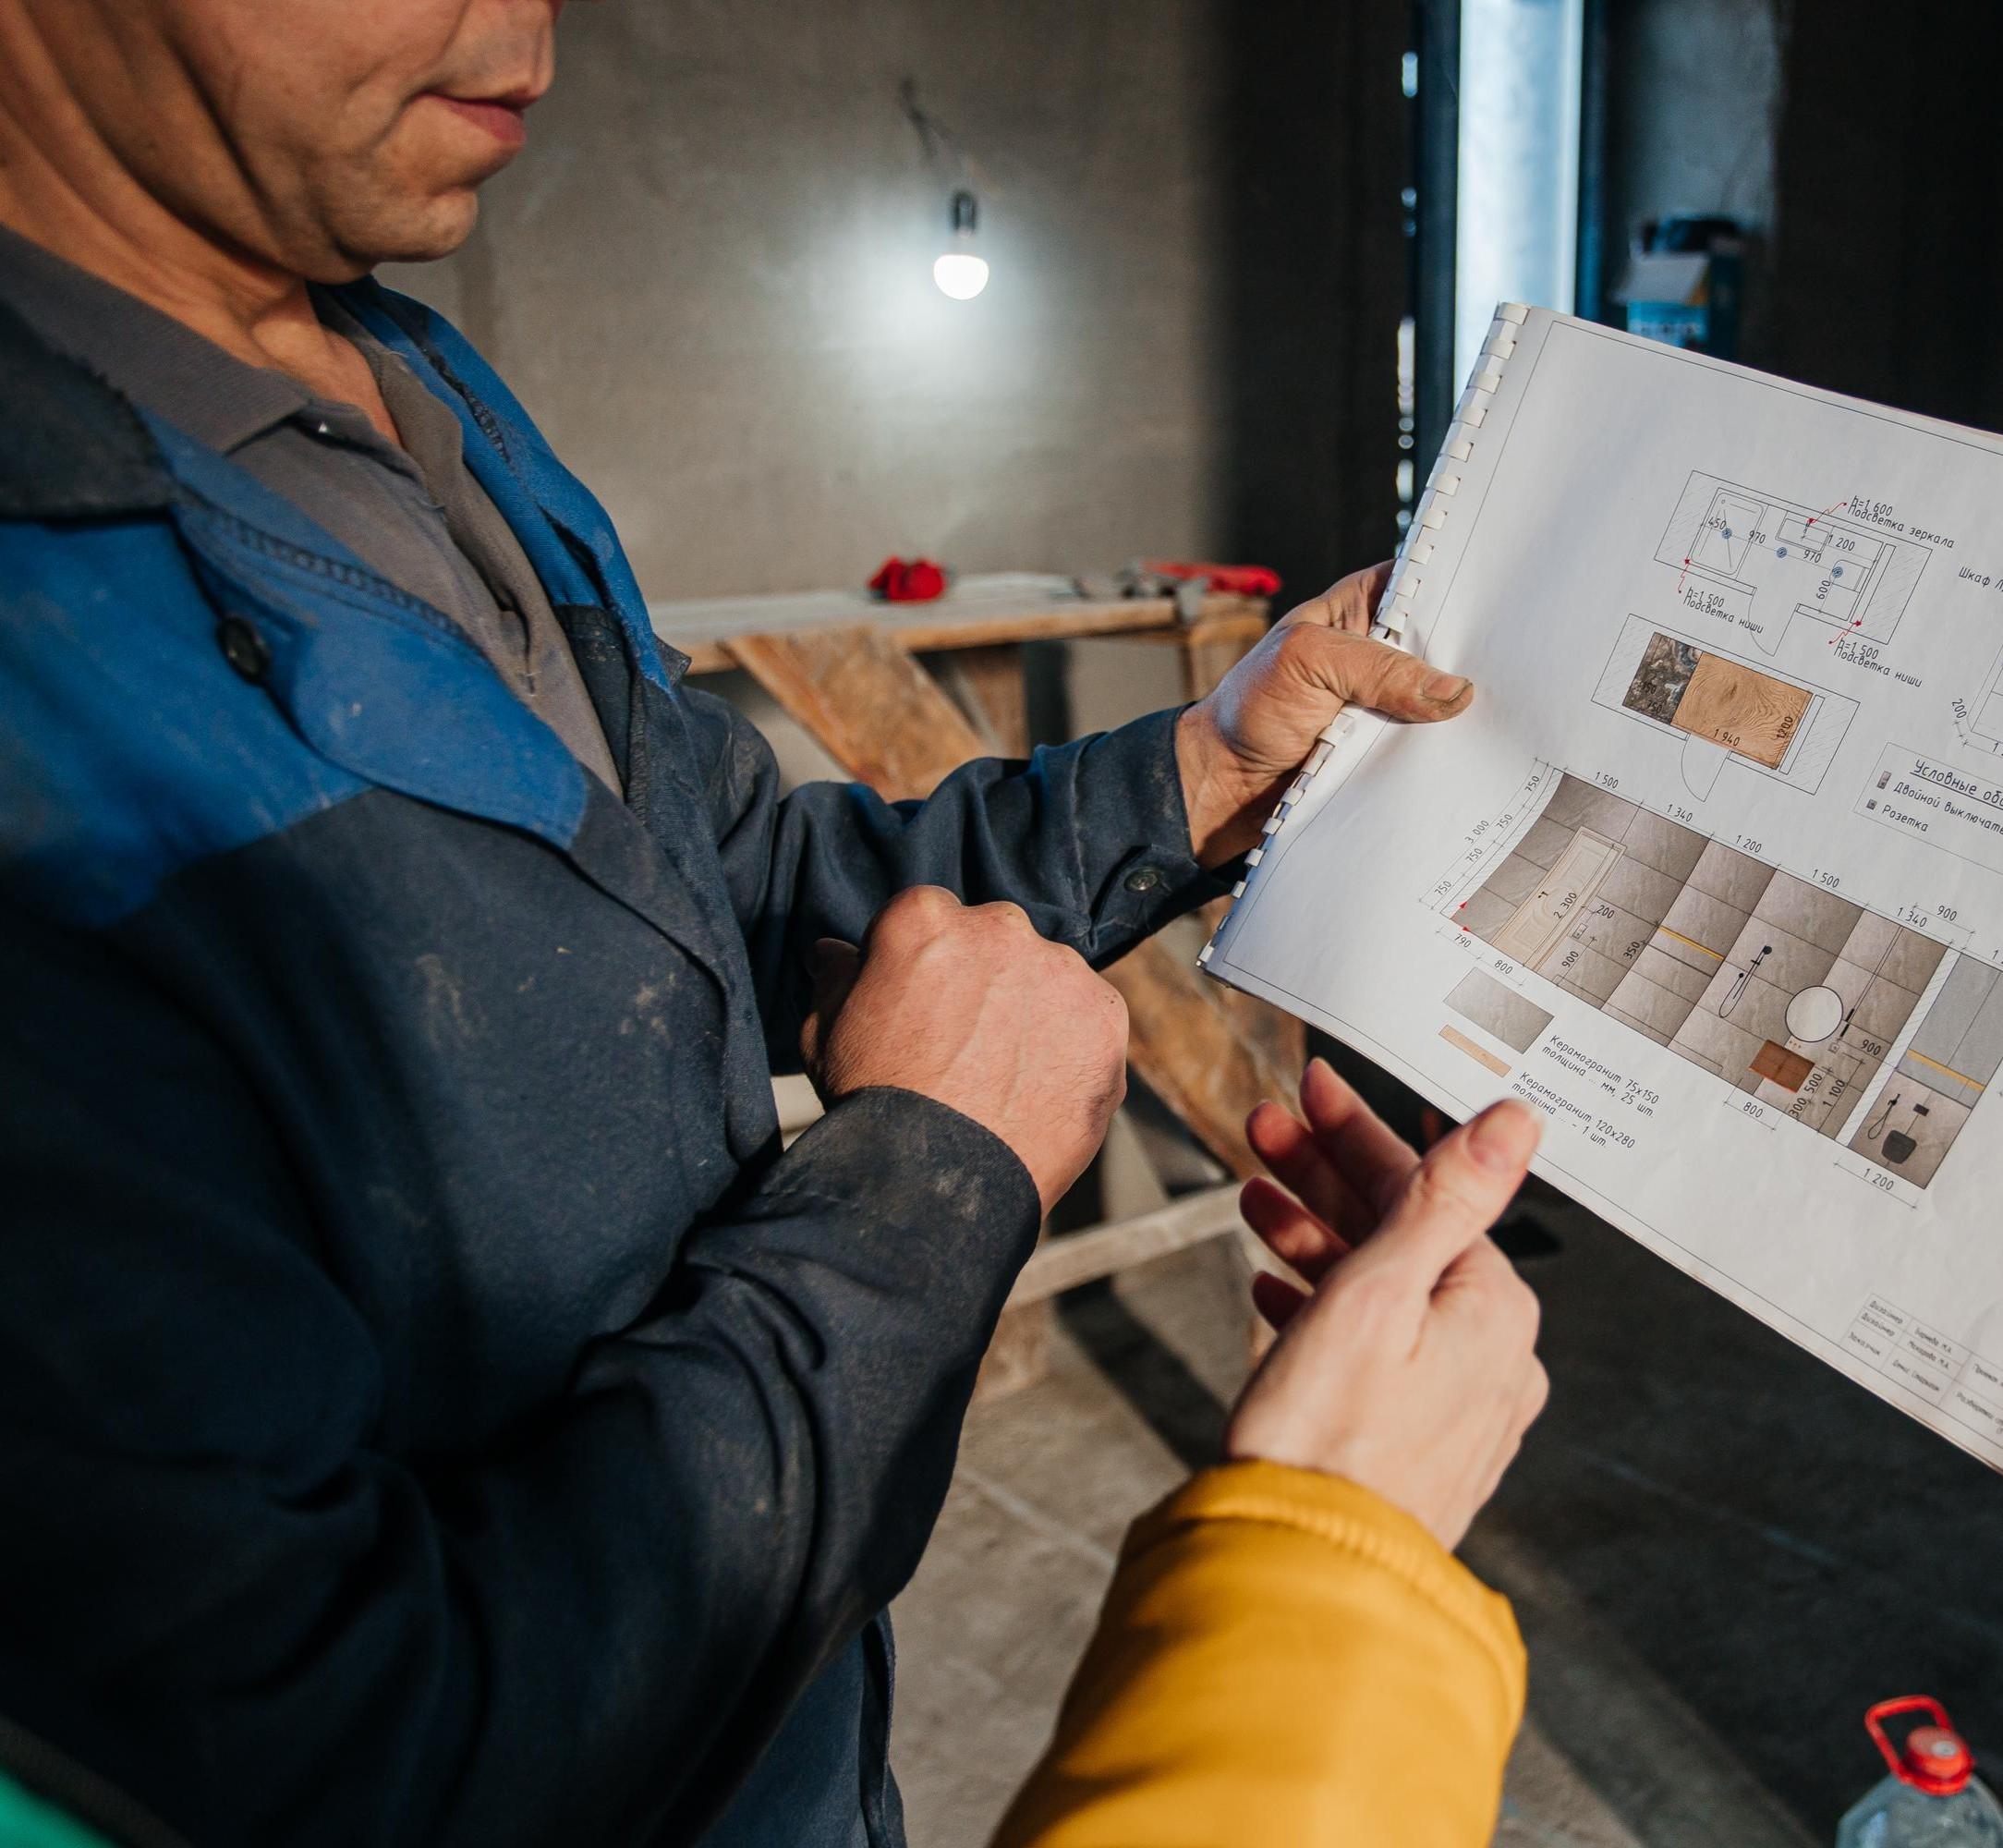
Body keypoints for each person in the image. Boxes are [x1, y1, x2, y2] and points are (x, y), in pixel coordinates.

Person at [0, 1, 1547, 1842]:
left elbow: (722, 877)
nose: (525, 38)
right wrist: (925, 1186)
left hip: (780, 1743)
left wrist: (1201, 768)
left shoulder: (419, 388)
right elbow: (349, 1755)